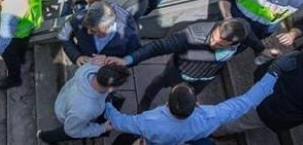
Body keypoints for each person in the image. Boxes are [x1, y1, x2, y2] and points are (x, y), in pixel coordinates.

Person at [106, 53, 298, 145]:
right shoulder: (212, 116)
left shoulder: (148, 122)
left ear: (168, 103)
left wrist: (105, 101)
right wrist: (273, 72)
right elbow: (248, 101)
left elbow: (118, 121)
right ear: (196, 104)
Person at [98, 18, 267, 112]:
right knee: (159, 82)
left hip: (205, 78)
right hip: (179, 71)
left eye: (220, 43)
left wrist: (262, 50)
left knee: (187, 98)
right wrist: (127, 60)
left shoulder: (242, 30)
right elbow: (158, 47)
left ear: (232, 43)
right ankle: (146, 101)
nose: (212, 42)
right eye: (213, 37)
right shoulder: (192, 35)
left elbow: (252, 38)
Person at [36, 63, 130, 143]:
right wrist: (102, 128)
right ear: (110, 88)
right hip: (69, 116)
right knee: (65, 132)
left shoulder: (91, 67)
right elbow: (71, 131)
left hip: (65, 99)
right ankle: (45, 137)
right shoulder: (85, 110)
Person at [216, 51, 303, 136]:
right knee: (242, 119)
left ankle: (214, 130)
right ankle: (216, 130)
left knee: (239, 120)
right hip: (277, 102)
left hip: (275, 104)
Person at [59, 1, 140, 67]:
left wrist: (109, 61)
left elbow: (134, 58)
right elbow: (63, 35)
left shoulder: (130, 35)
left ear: (107, 27)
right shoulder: (77, 18)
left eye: (94, 30)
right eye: (87, 27)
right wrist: (76, 57)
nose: (88, 32)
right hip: (84, 65)